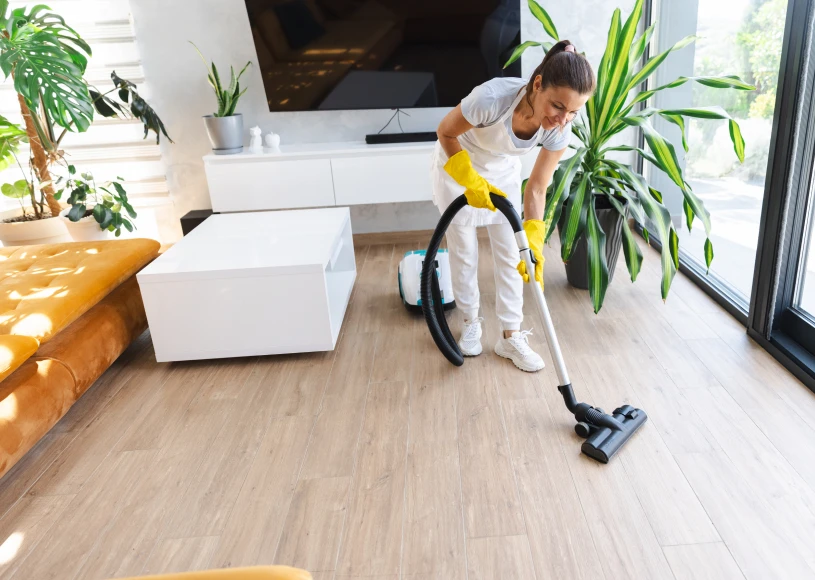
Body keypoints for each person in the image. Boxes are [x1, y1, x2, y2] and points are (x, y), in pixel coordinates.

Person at [432, 40, 595, 372]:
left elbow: (537, 187)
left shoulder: (558, 130)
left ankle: (510, 335)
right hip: (458, 169)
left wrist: (533, 237)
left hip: (503, 173)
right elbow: (445, 132)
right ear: (537, 85)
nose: (564, 120)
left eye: (573, 112)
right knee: (464, 253)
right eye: (558, 107)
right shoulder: (491, 99)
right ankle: (471, 321)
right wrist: (469, 180)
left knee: (512, 254)